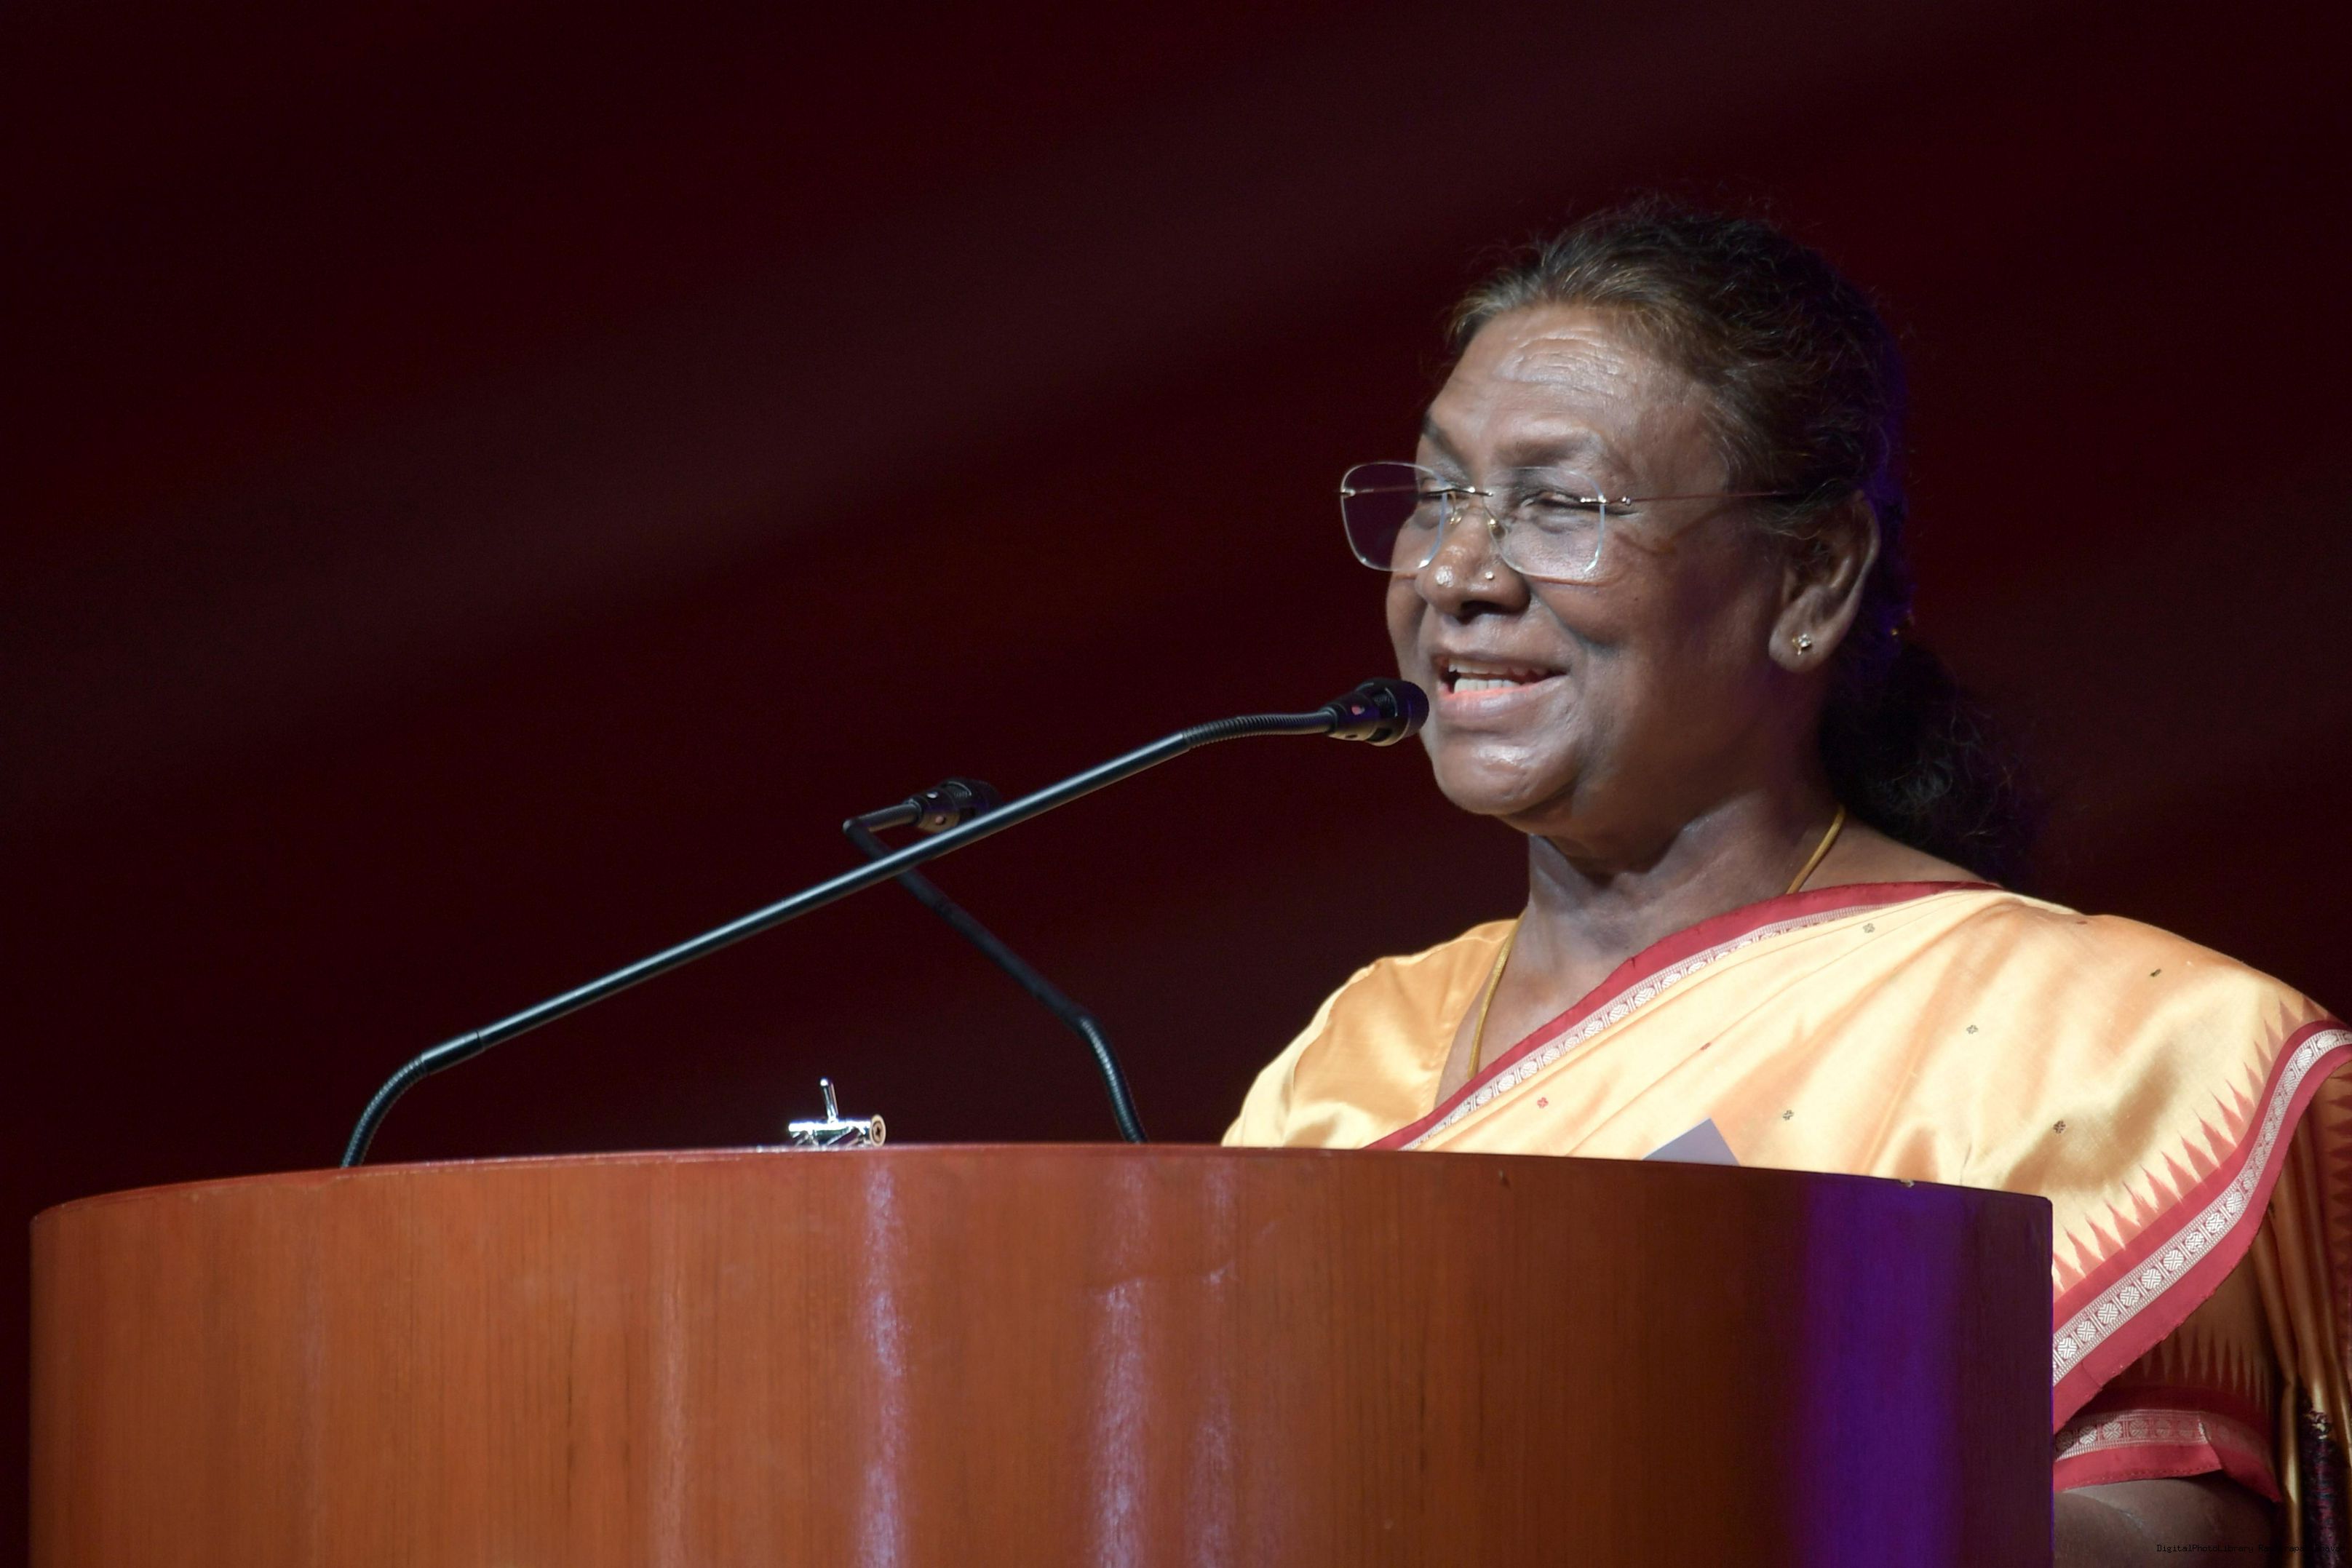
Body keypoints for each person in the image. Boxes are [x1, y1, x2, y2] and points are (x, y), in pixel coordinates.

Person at [1222, 200, 2348, 1564]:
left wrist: (1702, 1482)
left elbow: (2176, 1536)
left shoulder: (2109, 1046)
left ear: (1811, 578)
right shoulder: (1353, 1061)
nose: (1456, 573)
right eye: (1439, 495)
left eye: (1559, 507)